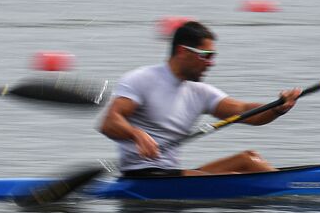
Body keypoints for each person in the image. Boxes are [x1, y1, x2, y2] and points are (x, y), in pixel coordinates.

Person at [99, 20, 301, 177]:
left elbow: (244, 111)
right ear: (182, 51)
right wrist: (136, 134)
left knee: (249, 159)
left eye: (213, 56)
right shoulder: (141, 79)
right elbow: (109, 123)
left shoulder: (200, 92)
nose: (211, 63)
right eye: (206, 55)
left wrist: (277, 108)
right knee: (232, 176)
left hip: (172, 175)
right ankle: (293, 191)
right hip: (144, 176)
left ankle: (287, 187)